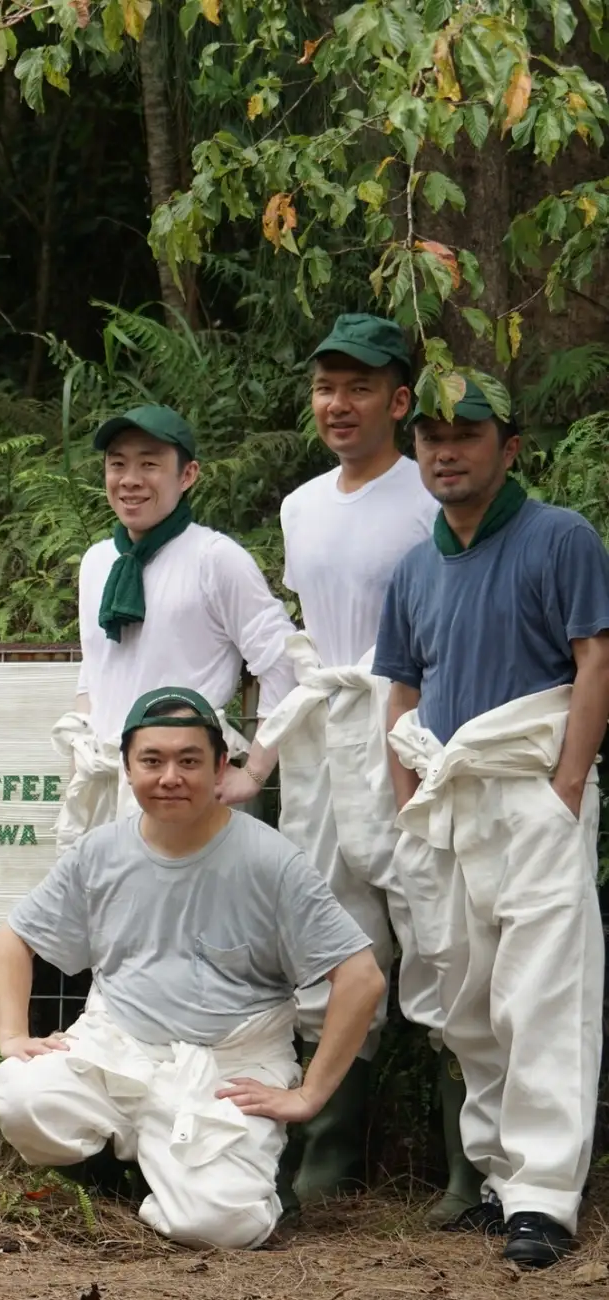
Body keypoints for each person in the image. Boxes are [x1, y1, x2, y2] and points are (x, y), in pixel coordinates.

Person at [0, 687, 382, 1250]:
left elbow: (361, 977)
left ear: (221, 766)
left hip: (230, 1062)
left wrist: (310, 1095)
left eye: (189, 760)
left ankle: (207, 1174)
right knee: (24, 1097)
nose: (170, 776)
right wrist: (12, 1036)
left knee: (223, 1226)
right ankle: (115, 1178)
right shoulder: (101, 852)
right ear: (126, 767)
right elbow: (13, 938)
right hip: (116, 1045)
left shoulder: (271, 860)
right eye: (152, 760)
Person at [376, 381, 609, 1268]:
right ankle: (498, 1178)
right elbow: (399, 688)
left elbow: (597, 659)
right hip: (444, 800)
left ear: (508, 447)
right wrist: (404, 801)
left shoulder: (560, 536)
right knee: (467, 1002)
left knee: (543, 992)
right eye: (431, 436)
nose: (445, 451)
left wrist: (568, 785)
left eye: (466, 435)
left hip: (533, 787)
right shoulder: (414, 565)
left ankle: (546, 1198)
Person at [256, 315, 452, 1213]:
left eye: (360, 387)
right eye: (327, 387)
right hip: (324, 732)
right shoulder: (300, 504)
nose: (339, 404)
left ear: (399, 400)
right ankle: (330, 1150)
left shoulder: (431, 494)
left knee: (439, 921)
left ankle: (469, 1154)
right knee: (334, 928)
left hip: (413, 729)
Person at [55, 405, 298, 847]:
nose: (130, 479)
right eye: (117, 464)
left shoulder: (215, 559)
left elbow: (283, 661)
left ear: (187, 476)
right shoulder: (97, 563)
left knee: (196, 914)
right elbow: (95, 669)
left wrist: (256, 771)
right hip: (109, 789)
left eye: (149, 464)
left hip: (186, 787)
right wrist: (79, 760)